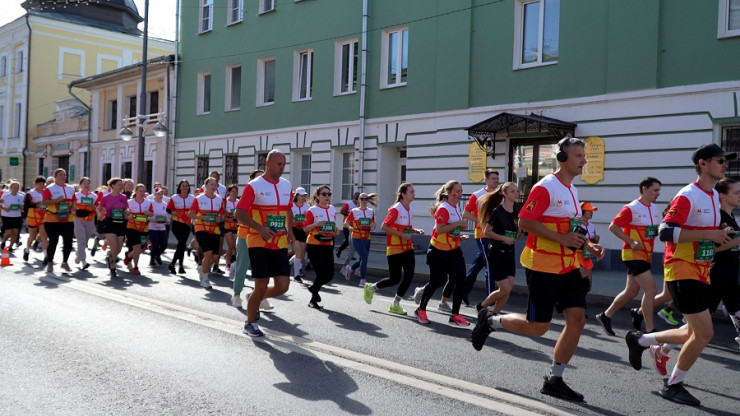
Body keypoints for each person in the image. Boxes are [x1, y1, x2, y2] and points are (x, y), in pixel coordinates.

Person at [471, 137, 604, 402]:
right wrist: (564, 240)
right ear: (562, 158)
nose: (584, 161)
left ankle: (555, 379)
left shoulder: (572, 191)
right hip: (543, 266)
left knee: (577, 319)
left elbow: (571, 228)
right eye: (578, 156)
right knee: (538, 327)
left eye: (584, 156)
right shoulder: (546, 187)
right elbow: (526, 221)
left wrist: (587, 245)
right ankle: (491, 320)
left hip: (568, 266)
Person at [624, 143, 734, 406]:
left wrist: (726, 236)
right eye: (720, 160)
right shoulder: (688, 195)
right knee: (704, 333)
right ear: (703, 164)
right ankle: (673, 385)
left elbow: (707, 238)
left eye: (725, 161)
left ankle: (640, 340)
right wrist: (709, 234)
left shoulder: (710, 197)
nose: (724, 165)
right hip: (682, 270)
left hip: (701, 270)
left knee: (691, 331)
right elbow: (666, 232)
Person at [234, 150, 294, 337]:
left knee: (283, 286)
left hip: (280, 241)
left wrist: (290, 231)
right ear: (267, 163)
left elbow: (289, 210)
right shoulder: (255, 185)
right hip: (258, 241)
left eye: (284, 164)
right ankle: (250, 323)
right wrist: (260, 228)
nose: (281, 168)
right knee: (262, 283)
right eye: (278, 164)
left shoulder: (286, 185)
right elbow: (239, 213)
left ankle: (254, 297)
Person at [595, 177, 663, 336]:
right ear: (644, 189)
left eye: (659, 190)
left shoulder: (654, 208)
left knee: (631, 291)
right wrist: (631, 241)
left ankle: (606, 316)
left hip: (646, 255)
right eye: (655, 190)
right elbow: (613, 227)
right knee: (651, 290)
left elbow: (650, 231)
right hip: (633, 254)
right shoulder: (631, 208)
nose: (658, 193)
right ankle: (650, 330)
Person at [414, 180, 471, 326]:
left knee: (460, 280)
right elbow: (439, 229)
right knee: (437, 281)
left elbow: (450, 229)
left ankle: (455, 315)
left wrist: (459, 236)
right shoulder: (443, 208)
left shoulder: (456, 207)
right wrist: (459, 224)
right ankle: (421, 309)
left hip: (454, 250)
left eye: (461, 191)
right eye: (457, 191)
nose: (460, 194)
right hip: (438, 251)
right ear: (449, 192)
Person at [363, 182, 424, 315]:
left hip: (407, 247)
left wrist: (415, 230)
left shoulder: (408, 208)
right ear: (403, 195)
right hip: (395, 248)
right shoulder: (396, 208)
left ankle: (395, 304)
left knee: (409, 275)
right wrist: (401, 234)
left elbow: (404, 227)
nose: (414, 194)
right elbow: (385, 226)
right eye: (411, 192)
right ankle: (372, 287)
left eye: (413, 192)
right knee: (394, 278)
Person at [474, 182, 521, 315]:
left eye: (517, 191)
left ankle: (494, 314)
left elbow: (516, 233)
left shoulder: (517, 211)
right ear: (504, 194)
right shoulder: (498, 211)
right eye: (512, 191)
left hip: (510, 254)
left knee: (508, 288)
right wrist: (503, 238)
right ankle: (481, 306)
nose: (516, 193)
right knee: (504, 288)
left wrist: (521, 232)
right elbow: (487, 231)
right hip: (497, 254)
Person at [461, 169, 500, 305]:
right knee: (491, 265)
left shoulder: (501, 194)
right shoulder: (477, 195)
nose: (496, 180)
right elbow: (466, 213)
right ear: (486, 179)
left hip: (496, 234)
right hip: (483, 235)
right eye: (493, 178)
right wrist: (481, 220)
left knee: (478, 264)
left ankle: (463, 291)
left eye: (497, 178)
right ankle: (491, 302)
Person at [231, 169, 265, 308]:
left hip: (261, 236)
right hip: (245, 235)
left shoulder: (266, 198)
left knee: (261, 268)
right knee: (242, 265)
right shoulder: (247, 196)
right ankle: (236, 295)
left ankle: (259, 296)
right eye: (257, 178)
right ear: (250, 181)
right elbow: (238, 214)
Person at [304, 185, 339, 310]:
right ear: (318, 196)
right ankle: (313, 299)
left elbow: (333, 226)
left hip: (328, 243)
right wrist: (316, 224)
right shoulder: (312, 210)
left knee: (329, 275)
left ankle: (313, 288)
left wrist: (336, 230)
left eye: (329, 194)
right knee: (320, 273)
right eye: (324, 194)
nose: (327, 197)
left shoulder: (332, 209)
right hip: (315, 244)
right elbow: (305, 228)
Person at [189, 177, 224, 289]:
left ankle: (202, 268)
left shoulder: (219, 199)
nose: (214, 186)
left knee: (214, 257)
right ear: (206, 185)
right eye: (211, 184)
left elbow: (221, 215)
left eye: (215, 184)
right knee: (208, 254)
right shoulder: (199, 199)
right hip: (201, 228)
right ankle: (205, 279)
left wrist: (219, 219)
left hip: (214, 229)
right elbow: (191, 214)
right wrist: (203, 217)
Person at [41, 168, 76, 273]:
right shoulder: (50, 188)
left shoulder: (70, 188)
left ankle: (65, 262)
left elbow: (74, 200)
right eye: (61, 174)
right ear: (55, 176)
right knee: (53, 241)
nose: (63, 176)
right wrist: (57, 200)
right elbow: (44, 202)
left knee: (68, 242)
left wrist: (74, 207)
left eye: (64, 174)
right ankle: (50, 262)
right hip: (53, 219)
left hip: (68, 219)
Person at [343, 193, 377, 286]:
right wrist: (349, 227)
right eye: (362, 199)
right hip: (357, 235)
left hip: (367, 236)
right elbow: (347, 222)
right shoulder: (354, 211)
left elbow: (374, 223)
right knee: (365, 256)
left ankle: (350, 269)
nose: (364, 201)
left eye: (366, 199)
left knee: (363, 257)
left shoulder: (371, 211)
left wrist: (373, 226)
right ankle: (363, 279)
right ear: (358, 200)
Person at [97, 178, 128, 278]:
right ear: (113, 186)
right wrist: (99, 214)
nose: (121, 186)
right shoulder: (106, 197)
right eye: (119, 184)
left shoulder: (123, 197)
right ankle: (113, 266)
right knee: (114, 245)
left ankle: (110, 255)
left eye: (121, 185)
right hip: (109, 222)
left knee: (118, 248)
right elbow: (99, 208)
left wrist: (127, 212)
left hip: (120, 222)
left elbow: (126, 208)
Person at [125, 184, 153, 276]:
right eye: (140, 191)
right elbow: (125, 214)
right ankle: (136, 267)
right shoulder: (130, 202)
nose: (142, 193)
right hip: (132, 227)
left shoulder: (148, 202)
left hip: (144, 228)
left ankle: (128, 256)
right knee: (137, 248)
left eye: (143, 191)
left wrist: (148, 213)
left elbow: (152, 214)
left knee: (140, 248)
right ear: (136, 191)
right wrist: (129, 216)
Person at [166, 180, 194, 274]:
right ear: (179, 187)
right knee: (181, 243)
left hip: (187, 224)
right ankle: (178, 265)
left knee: (182, 245)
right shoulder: (174, 197)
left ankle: (175, 265)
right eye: (183, 186)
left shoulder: (192, 198)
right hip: (177, 223)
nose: (185, 187)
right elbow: (168, 209)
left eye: (186, 186)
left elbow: (195, 209)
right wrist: (172, 212)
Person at [72, 177, 96, 270]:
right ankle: (83, 261)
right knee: (81, 240)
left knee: (85, 241)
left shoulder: (94, 196)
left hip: (90, 220)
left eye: (88, 183)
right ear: (80, 185)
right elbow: (72, 207)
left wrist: (92, 206)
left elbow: (97, 208)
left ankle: (79, 255)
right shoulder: (76, 195)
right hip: (78, 220)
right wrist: (76, 211)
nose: (86, 185)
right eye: (84, 183)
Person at [577, 202, 599, 295]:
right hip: (577, 257)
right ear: (582, 212)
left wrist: (596, 239)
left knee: (588, 286)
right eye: (589, 211)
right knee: (581, 283)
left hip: (587, 257)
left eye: (592, 211)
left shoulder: (592, 226)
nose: (591, 212)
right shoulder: (576, 224)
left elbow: (593, 242)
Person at [23, 176, 46, 262]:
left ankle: (46, 255)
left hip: (43, 217)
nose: (41, 185)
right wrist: (36, 205)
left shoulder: (46, 193)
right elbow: (26, 205)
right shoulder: (31, 193)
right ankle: (27, 249)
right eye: (39, 183)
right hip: (32, 217)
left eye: (43, 183)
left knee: (44, 235)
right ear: (36, 184)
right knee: (32, 236)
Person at [291, 186, 309, 283]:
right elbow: (287, 217)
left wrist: (306, 217)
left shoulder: (307, 206)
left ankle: (292, 263)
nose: (303, 197)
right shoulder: (291, 205)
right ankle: (296, 274)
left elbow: (310, 218)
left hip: (303, 230)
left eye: (304, 195)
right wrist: (293, 218)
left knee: (302, 252)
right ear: (297, 196)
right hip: (293, 230)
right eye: (301, 195)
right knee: (298, 250)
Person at [0, 180, 25, 252]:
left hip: (17, 216)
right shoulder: (6, 195)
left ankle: (10, 246)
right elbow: (0, 204)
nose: (16, 189)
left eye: (17, 187)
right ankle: (3, 241)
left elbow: (22, 205)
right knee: (9, 232)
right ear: (11, 188)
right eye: (14, 187)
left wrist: (21, 207)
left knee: (15, 232)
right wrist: (5, 208)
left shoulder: (21, 196)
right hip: (7, 216)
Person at [148, 187, 169, 267]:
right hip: (152, 227)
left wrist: (167, 220)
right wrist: (152, 219)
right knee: (155, 244)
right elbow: (147, 216)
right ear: (154, 195)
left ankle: (157, 255)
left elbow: (167, 216)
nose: (160, 195)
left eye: (161, 194)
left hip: (162, 227)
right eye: (158, 194)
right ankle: (152, 259)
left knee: (164, 244)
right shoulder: (151, 204)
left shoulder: (165, 204)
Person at [223, 184, 239, 279]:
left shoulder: (238, 202)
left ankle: (232, 261)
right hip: (228, 225)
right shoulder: (226, 202)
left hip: (236, 226)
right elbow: (223, 214)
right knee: (231, 246)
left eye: (236, 191)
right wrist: (229, 219)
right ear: (229, 192)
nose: (234, 193)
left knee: (235, 246)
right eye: (233, 191)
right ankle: (228, 263)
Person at [336, 192, 360, 258]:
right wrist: (350, 215)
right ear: (354, 198)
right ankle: (339, 250)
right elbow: (342, 211)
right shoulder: (348, 204)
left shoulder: (360, 205)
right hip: (346, 225)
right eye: (356, 199)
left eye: (358, 199)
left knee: (353, 242)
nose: (356, 201)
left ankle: (351, 255)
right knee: (347, 241)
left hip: (355, 226)